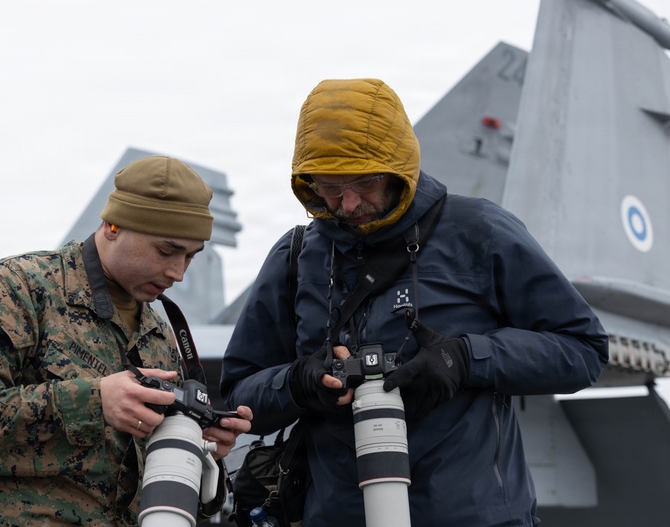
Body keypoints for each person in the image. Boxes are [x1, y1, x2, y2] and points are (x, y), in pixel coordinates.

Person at [220, 78, 608, 526]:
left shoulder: (481, 232)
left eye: (363, 183)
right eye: (328, 186)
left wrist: (466, 358)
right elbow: (237, 396)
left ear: (399, 168)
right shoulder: (296, 256)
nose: (346, 203)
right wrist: (299, 382)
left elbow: (582, 349)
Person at [0, 155, 253, 525]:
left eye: (190, 256)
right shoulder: (15, 290)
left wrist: (204, 453)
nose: (178, 272)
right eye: (166, 250)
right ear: (113, 226)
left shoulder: (158, 335)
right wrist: (95, 403)